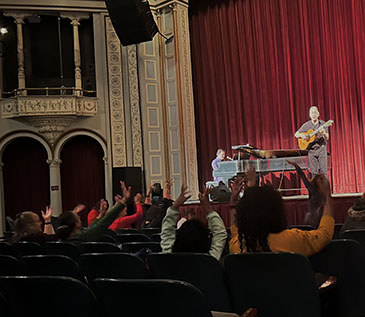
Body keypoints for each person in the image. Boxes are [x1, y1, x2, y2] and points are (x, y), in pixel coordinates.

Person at [229, 174, 334, 257]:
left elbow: (234, 231)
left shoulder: (238, 247)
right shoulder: (292, 239)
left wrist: (233, 201)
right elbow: (324, 234)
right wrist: (327, 197)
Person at [161, 185, 227, 260]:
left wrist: (175, 206)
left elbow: (166, 231)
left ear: (177, 239)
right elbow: (220, 233)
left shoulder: (169, 258)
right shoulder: (210, 260)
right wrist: (208, 208)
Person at [56, 181, 130, 243]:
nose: (79, 217)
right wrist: (124, 200)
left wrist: (100, 214)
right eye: (77, 216)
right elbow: (105, 221)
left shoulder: (62, 241)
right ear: (75, 224)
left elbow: (91, 229)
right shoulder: (81, 238)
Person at [287, 160, 325, 228]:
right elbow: (303, 176)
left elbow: (303, 176)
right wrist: (296, 165)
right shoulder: (316, 189)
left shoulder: (316, 189)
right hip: (317, 217)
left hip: (316, 217)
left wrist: (296, 165)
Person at [295, 105, 330, 177]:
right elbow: (296, 134)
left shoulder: (323, 124)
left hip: (321, 149)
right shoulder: (306, 125)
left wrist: (324, 133)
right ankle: (315, 188)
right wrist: (303, 136)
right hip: (311, 150)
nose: (313, 114)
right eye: (312, 113)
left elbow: (327, 137)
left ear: (318, 114)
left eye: (315, 113)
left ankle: (325, 188)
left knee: (324, 171)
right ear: (309, 115)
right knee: (314, 173)